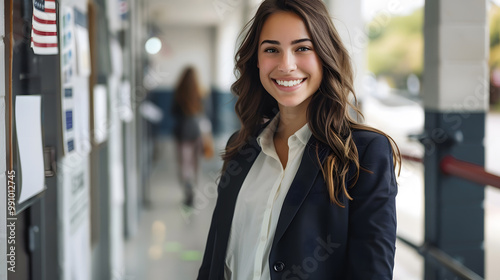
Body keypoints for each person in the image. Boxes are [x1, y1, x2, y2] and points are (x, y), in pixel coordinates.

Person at [198, 0, 401, 279]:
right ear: (257, 60)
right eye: (272, 50)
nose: (286, 65)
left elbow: (371, 272)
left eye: (302, 48)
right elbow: (213, 260)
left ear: (324, 55)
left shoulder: (365, 152)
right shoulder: (241, 147)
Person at [172, 66, 209, 207]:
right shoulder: (202, 93)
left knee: (184, 165)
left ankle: (188, 191)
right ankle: (194, 187)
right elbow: (207, 114)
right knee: (195, 164)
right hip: (198, 133)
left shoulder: (179, 93)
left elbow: (173, 111)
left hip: (182, 134)